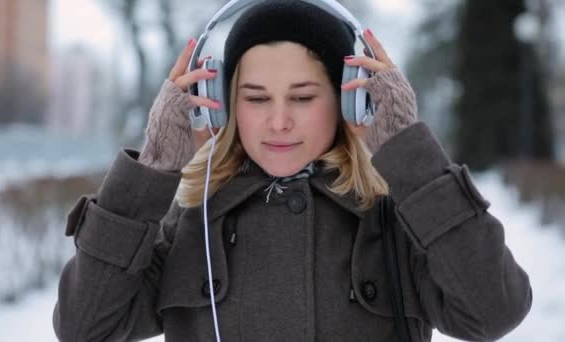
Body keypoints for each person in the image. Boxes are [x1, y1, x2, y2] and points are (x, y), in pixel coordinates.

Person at [53, 1, 532, 341]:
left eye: (303, 97)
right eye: (256, 98)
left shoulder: (393, 221)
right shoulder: (192, 224)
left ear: (351, 99)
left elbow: (493, 311)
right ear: (223, 105)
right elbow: (83, 327)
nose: (278, 120)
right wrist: (154, 166)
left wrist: (408, 150)